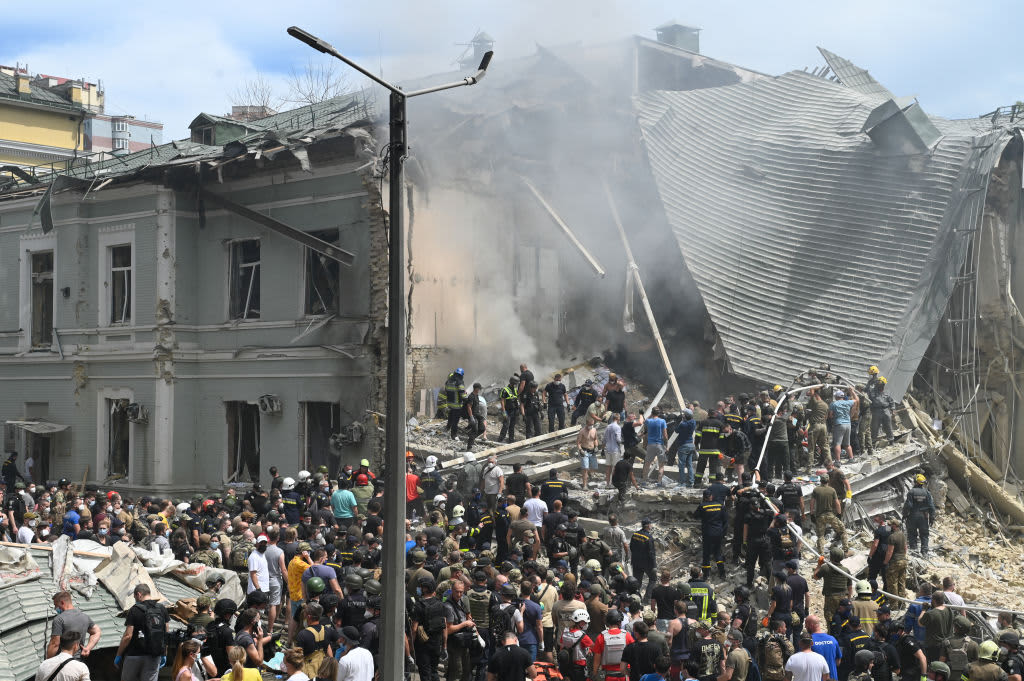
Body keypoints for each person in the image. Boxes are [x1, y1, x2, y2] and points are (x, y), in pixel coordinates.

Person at [115, 584, 168, 681]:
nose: (135, 600)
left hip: (134, 655)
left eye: (135, 597)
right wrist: (164, 653)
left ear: (139, 594)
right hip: (154, 656)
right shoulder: (162, 609)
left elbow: (128, 636)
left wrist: (118, 655)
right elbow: (165, 634)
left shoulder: (134, 610)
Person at [47, 591, 101, 660]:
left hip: (62, 662)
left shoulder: (59, 619)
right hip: (79, 661)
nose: (55, 608)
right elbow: (97, 631)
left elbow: (54, 644)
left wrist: (47, 662)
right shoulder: (84, 617)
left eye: (56, 605)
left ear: (62, 603)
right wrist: (88, 648)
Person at [591, 608, 634, 681]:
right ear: (620, 622)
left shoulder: (601, 637)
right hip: (624, 676)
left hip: (608, 676)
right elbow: (633, 655)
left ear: (607, 622)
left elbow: (596, 660)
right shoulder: (627, 635)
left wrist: (594, 674)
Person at [809, 475, 847, 556]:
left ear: (820, 481)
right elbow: (837, 503)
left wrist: (811, 514)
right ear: (828, 481)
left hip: (820, 516)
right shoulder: (832, 490)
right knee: (842, 531)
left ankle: (821, 554)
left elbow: (812, 502)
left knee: (820, 535)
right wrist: (839, 514)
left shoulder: (816, 490)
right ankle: (846, 550)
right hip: (830, 515)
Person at [694, 490, 727, 579]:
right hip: (718, 532)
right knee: (717, 553)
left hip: (708, 533)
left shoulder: (702, 506)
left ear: (704, 497)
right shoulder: (720, 505)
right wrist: (723, 532)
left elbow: (695, 516)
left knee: (706, 554)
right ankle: (722, 573)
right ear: (711, 496)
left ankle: (706, 575)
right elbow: (725, 520)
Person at [903, 474, 935, 556]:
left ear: (916, 482)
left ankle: (914, 551)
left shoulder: (911, 492)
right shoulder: (927, 493)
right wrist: (932, 518)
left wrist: (905, 515)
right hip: (924, 517)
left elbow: (908, 505)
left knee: (912, 533)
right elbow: (931, 506)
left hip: (912, 516)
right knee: (924, 534)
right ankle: (924, 552)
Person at [630, 519, 657, 600]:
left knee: (637, 581)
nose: (651, 526)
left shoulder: (634, 534)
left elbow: (631, 547)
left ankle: (636, 598)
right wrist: (654, 566)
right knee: (653, 579)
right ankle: (647, 598)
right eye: (650, 524)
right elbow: (651, 553)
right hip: (647, 564)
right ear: (647, 525)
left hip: (636, 562)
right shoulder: (649, 537)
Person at [643, 408, 669, 484]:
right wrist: (666, 445)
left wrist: (651, 415)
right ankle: (659, 482)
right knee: (661, 465)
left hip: (650, 445)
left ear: (652, 413)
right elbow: (665, 435)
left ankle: (644, 481)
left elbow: (644, 422)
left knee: (647, 464)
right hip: (660, 445)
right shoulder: (662, 421)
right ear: (659, 413)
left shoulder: (649, 421)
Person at [867, 377, 895, 447]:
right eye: (878, 385)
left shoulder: (887, 393)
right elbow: (867, 390)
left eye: (881, 385)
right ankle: (873, 441)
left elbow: (891, 402)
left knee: (888, 426)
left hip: (886, 410)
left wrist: (892, 410)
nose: (880, 386)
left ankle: (891, 440)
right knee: (875, 426)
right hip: (876, 411)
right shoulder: (872, 392)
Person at [674, 409, 698, 487]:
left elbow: (676, 430)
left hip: (683, 445)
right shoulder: (693, 422)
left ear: (686, 416)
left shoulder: (683, 424)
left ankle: (682, 482)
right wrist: (684, 418)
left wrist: (679, 421)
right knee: (689, 464)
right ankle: (691, 481)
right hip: (691, 445)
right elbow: (688, 419)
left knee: (681, 465)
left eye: (684, 414)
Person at [499, 376, 523, 444]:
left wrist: (518, 409)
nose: (516, 384)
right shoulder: (505, 390)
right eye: (516, 383)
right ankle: (501, 439)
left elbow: (516, 399)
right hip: (507, 410)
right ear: (512, 382)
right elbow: (502, 401)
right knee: (506, 425)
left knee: (512, 426)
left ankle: (511, 440)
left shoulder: (515, 390)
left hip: (514, 410)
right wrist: (504, 411)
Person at [445, 369, 468, 438]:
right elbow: (462, 395)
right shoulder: (459, 382)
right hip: (457, 404)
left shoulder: (448, 381)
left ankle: (448, 427)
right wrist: (466, 397)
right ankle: (453, 435)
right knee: (455, 420)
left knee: (451, 415)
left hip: (450, 403)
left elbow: (447, 390)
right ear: (461, 375)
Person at [577, 422, 600, 489]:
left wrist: (596, 446)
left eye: (592, 425)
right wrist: (580, 450)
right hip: (585, 451)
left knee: (594, 467)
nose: (591, 426)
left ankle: (589, 473)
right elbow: (578, 442)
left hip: (592, 451)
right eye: (590, 425)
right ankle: (585, 485)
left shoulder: (594, 430)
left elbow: (595, 439)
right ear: (587, 424)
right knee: (585, 469)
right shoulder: (582, 431)